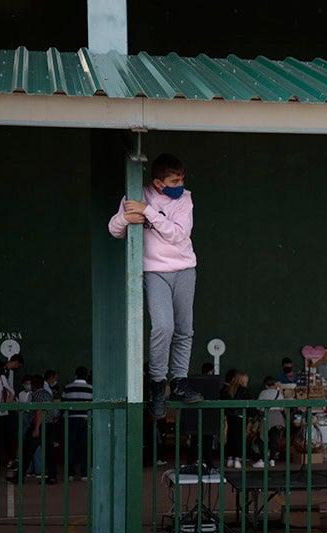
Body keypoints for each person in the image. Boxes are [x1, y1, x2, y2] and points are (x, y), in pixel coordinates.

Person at [108, 153, 203, 419]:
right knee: (163, 326)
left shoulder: (184, 199)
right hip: (154, 271)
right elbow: (114, 228)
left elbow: (178, 234)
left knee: (185, 330)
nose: (180, 184)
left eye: (182, 178)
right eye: (174, 180)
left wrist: (147, 212)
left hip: (184, 268)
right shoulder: (137, 195)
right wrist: (128, 218)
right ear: (159, 183)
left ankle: (180, 384)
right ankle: (158, 388)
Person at [21, 374, 59, 484]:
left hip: (39, 425)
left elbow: (39, 411)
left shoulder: (36, 395)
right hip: (49, 425)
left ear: (33, 385)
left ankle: (20, 475)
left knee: (27, 451)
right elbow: (54, 411)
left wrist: (36, 428)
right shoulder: (47, 393)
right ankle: (52, 477)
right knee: (49, 453)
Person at [61, 366, 93, 480]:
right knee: (86, 447)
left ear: (75, 375)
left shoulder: (67, 388)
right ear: (86, 376)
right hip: (86, 420)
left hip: (71, 419)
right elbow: (93, 406)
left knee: (71, 447)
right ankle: (84, 474)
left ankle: (70, 474)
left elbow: (63, 404)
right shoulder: (91, 388)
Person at [220, 369, 251, 468]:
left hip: (229, 416)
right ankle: (237, 459)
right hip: (241, 416)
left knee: (230, 437)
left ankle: (229, 458)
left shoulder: (227, 389)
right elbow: (250, 404)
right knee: (239, 438)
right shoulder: (244, 390)